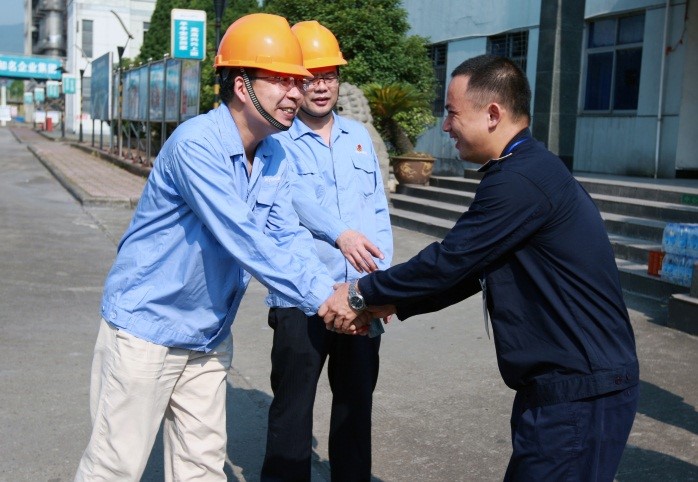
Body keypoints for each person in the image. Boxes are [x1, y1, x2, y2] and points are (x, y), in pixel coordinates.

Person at [320, 54, 639, 481]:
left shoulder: (521, 180)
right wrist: (390, 304)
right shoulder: (521, 169)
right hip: (565, 386)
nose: (445, 126)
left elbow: (452, 259)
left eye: (452, 113)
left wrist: (362, 293)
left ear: (492, 114)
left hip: (580, 390)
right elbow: (471, 270)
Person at [74, 13, 339, 481]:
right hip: (147, 330)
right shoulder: (196, 144)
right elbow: (244, 237)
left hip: (208, 335)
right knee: (115, 466)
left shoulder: (275, 153)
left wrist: (337, 292)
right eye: (282, 80)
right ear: (241, 86)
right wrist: (328, 300)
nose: (296, 94)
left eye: (298, 82)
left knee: (202, 466)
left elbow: (286, 237)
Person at [261, 21, 393, 482]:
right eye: (311, 77)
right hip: (301, 296)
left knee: (356, 408)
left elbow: (378, 208)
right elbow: (294, 198)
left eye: (330, 76)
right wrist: (342, 234)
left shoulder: (358, 136)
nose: (321, 87)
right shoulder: (275, 139)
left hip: (359, 295)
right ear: (295, 81)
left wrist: (385, 283)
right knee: (292, 409)